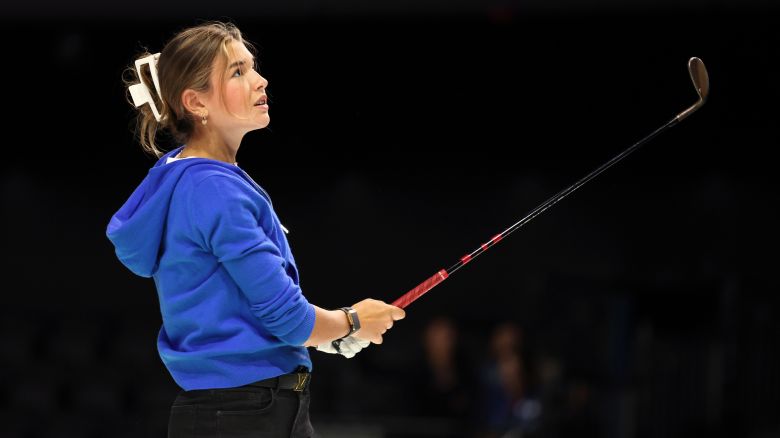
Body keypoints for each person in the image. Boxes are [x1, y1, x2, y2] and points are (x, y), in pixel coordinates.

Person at [106, 21, 405, 438]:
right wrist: (353, 321)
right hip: (244, 416)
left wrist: (328, 336)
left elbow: (246, 309)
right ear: (196, 102)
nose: (260, 80)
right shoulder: (214, 189)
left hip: (245, 410)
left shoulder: (189, 178)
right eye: (238, 72)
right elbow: (288, 318)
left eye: (253, 67)